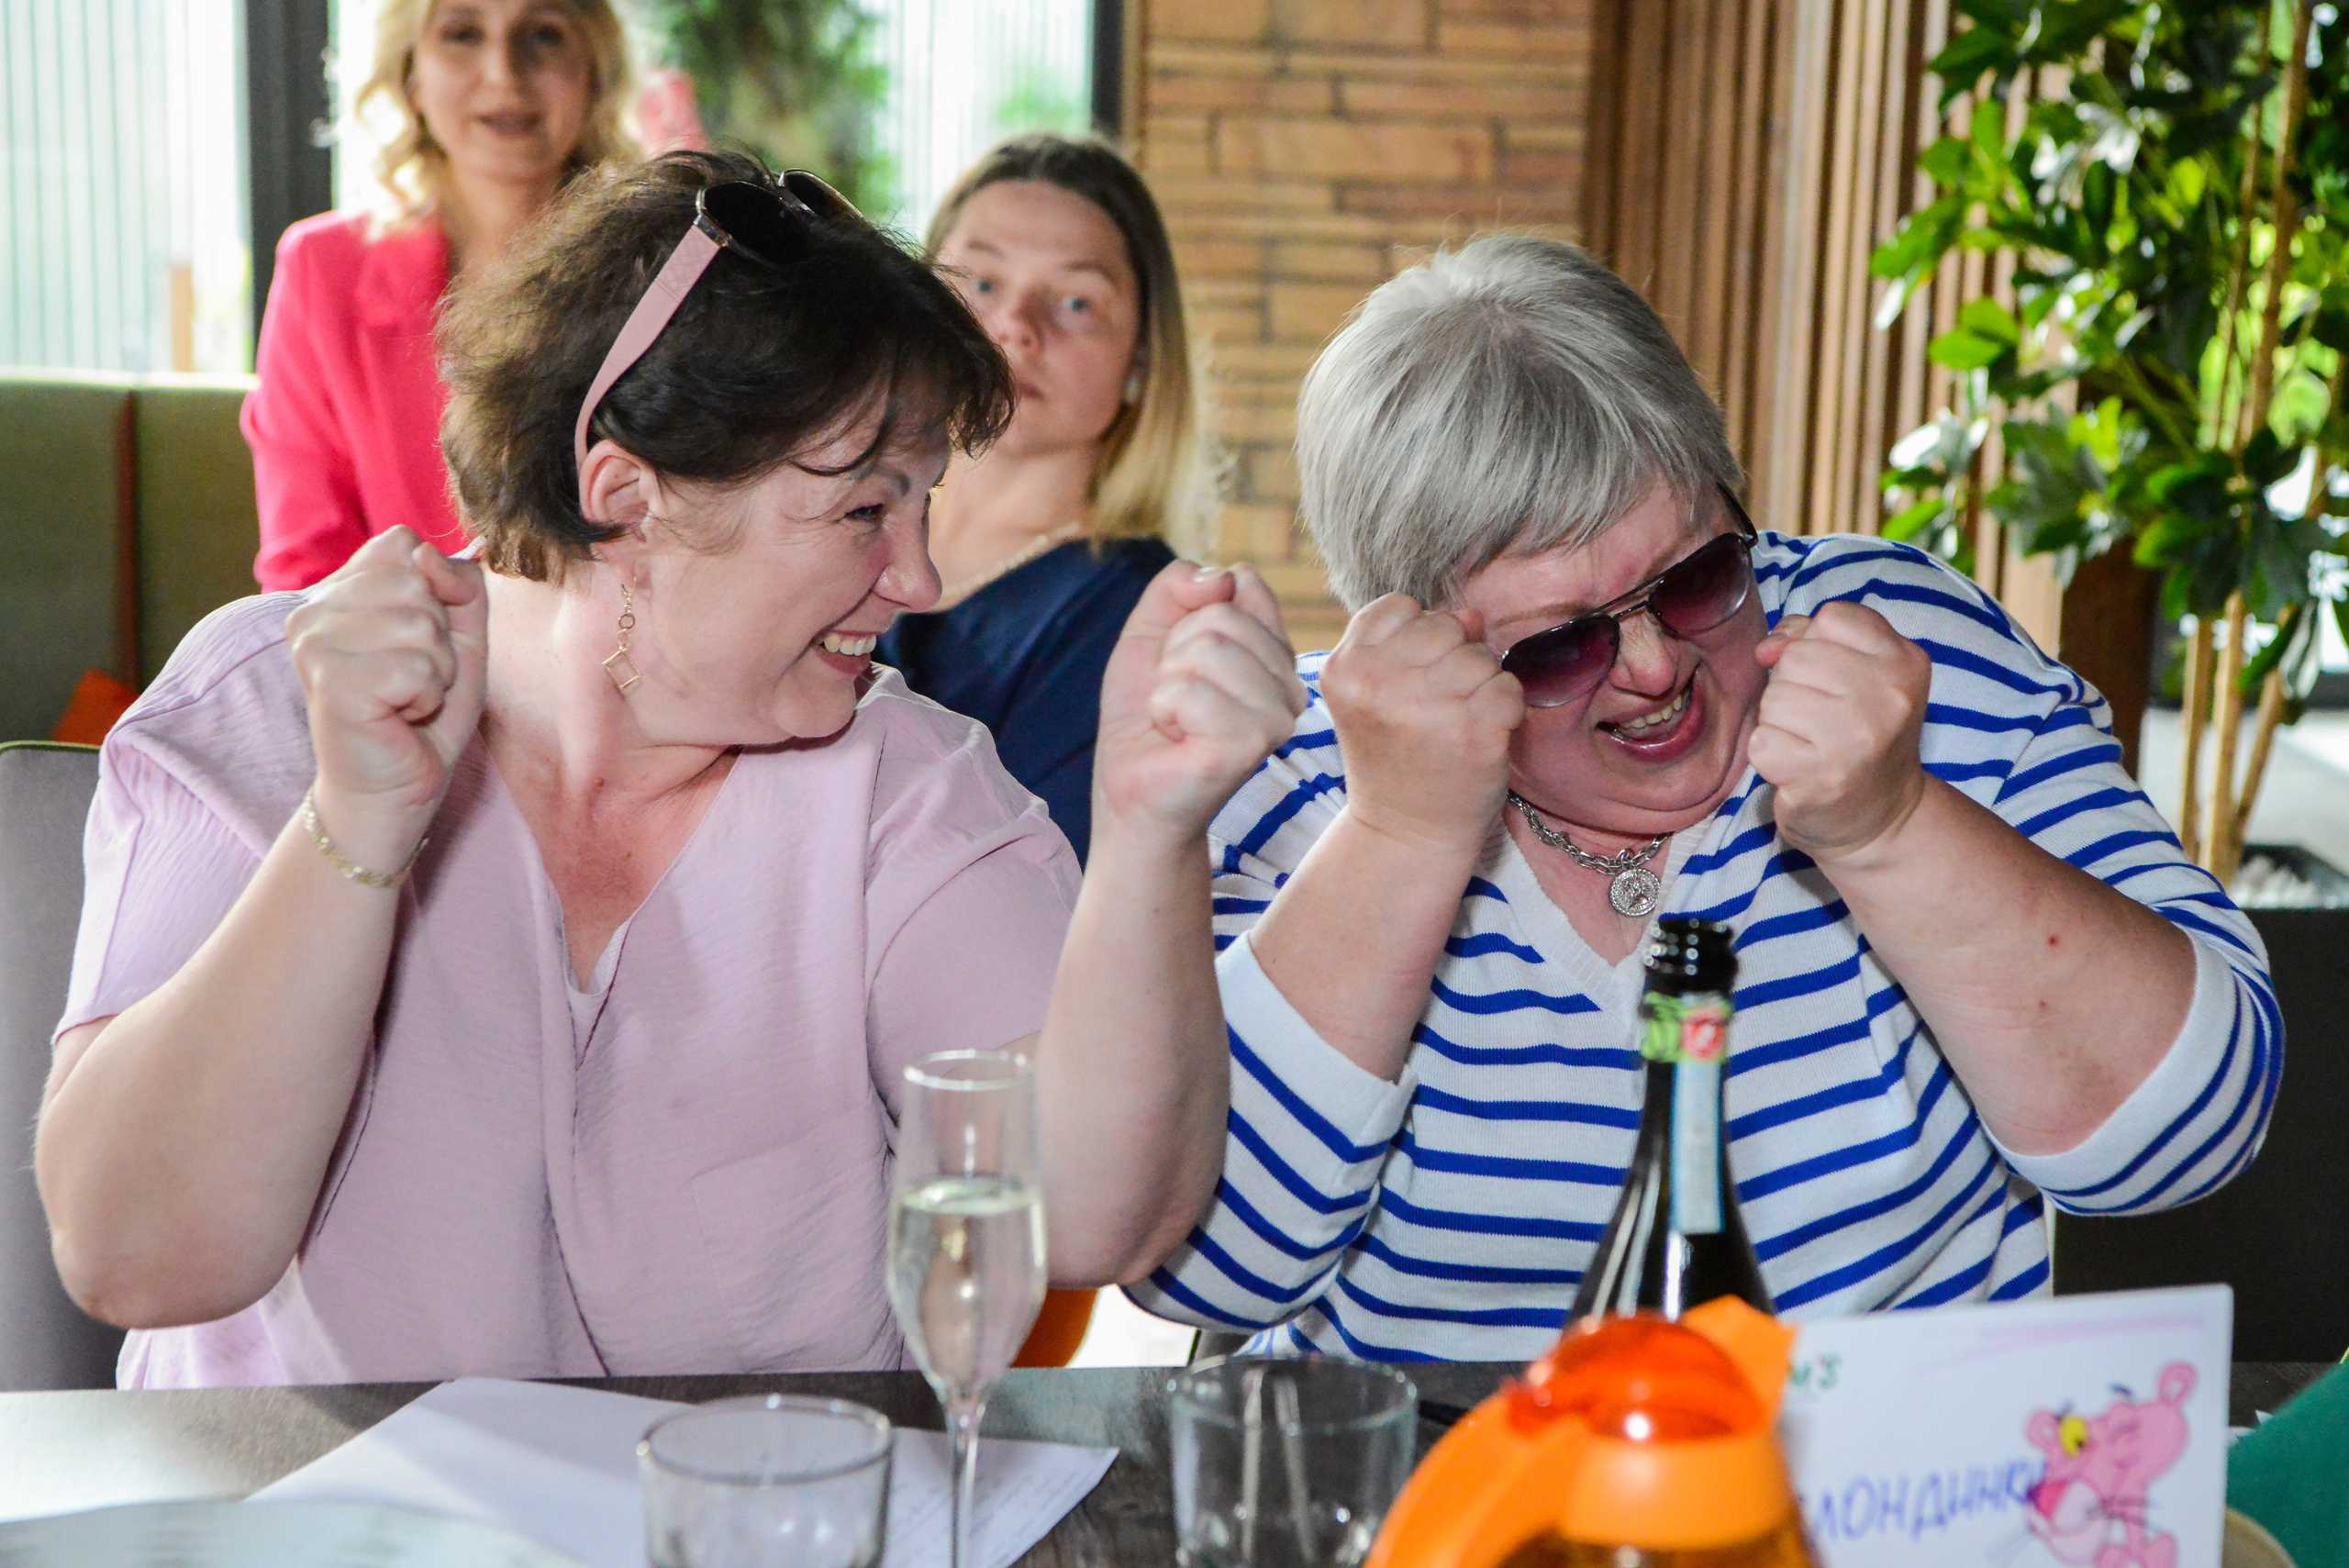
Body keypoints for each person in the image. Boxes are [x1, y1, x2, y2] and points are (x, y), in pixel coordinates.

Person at [38, 150, 1306, 1388]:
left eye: (922, 507)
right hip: (320, 1521)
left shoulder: (901, 779)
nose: (916, 581)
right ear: (626, 494)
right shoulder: (273, 702)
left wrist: (1152, 837)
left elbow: (1088, 1218)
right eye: (866, 509)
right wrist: (356, 826)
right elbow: (138, 1260)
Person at [1128, 236, 2281, 1360]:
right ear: (1414, 641)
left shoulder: (1886, 647)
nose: (1649, 665)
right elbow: (1209, 1266)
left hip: (1887, 1491)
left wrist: (1892, 826)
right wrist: (1402, 833)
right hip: (1450, 1509)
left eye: (1697, 579)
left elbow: (2192, 1137)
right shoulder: (1301, 774)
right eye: (1558, 644)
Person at [879, 134, 1211, 863]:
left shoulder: (1142, 617)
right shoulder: (817, 515)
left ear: (1142, 360)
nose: (1016, 328)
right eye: (982, 281)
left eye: (1075, 301)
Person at [244, 0, 641, 592]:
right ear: (410, 75)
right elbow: (306, 580)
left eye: (544, 34)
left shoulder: (666, 272)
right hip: (401, 672)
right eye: (461, 33)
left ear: (594, 71)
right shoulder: (321, 271)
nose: (504, 72)